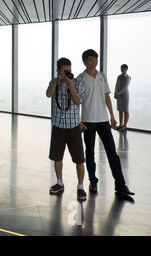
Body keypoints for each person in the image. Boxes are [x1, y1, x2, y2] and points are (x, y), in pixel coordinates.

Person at [77, 49, 134, 196]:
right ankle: (93, 182)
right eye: (91, 59)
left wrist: (112, 116)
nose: (94, 62)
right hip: (88, 121)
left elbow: (107, 96)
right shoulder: (80, 78)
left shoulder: (102, 75)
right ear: (84, 61)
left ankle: (120, 186)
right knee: (89, 153)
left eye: (96, 59)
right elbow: (77, 101)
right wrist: (79, 120)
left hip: (103, 120)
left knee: (112, 154)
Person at [46, 57, 86, 201]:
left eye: (69, 71)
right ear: (58, 70)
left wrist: (70, 85)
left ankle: (81, 186)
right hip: (58, 126)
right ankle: (59, 182)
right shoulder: (54, 82)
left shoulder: (77, 83)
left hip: (73, 127)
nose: (68, 73)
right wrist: (57, 81)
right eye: (64, 71)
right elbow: (48, 94)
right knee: (57, 156)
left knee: (79, 158)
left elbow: (78, 101)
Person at [114, 64, 131, 132]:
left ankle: (125, 125)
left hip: (124, 95)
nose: (122, 70)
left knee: (125, 110)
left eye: (123, 68)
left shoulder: (127, 77)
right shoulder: (119, 77)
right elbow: (116, 85)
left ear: (126, 69)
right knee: (120, 109)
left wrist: (118, 93)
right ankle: (120, 124)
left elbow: (125, 87)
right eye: (121, 68)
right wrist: (115, 92)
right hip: (118, 95)